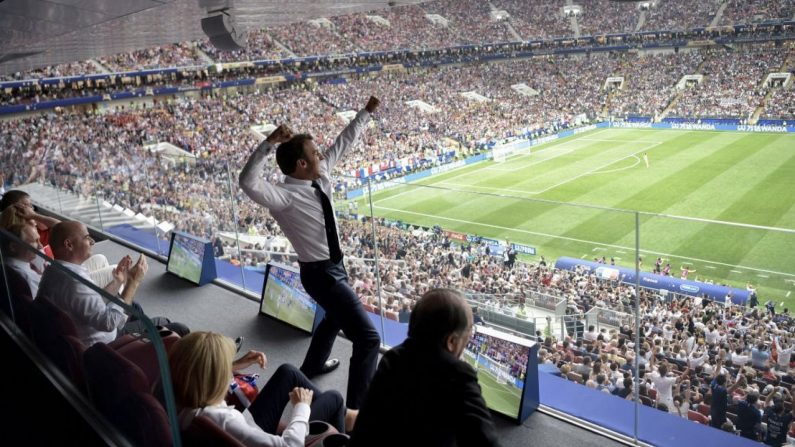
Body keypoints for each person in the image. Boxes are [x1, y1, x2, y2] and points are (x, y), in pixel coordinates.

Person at [239, 96, 381, 410]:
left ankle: (312, 366)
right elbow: (247, 181)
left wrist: (366, 113)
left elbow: (343, 143)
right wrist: (267, 144)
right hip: (320, 274)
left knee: (334, 318)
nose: (322, 156)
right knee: (368, 338)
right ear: (301, 164)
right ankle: (357, 413)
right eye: (315, 154)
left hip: (334, 267)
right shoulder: (283, 197)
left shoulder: (319, 176)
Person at [349, 288, 500, 447]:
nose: (469, 337)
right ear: (451, 342)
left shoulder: (392, 358)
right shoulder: (459, 376)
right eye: (469, 331)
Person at [170, 331, 353, 447]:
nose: (230, 374)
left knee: (287, 372)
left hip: (249, 423)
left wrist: (236, 364)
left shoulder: (177, 395)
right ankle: (344, 427)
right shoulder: (223, 420)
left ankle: (347, 416)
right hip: (260, 433)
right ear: (213, 380)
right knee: (334, 398)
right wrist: (301, 407)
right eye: (225, 369)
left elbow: (197, 372)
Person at [36, 221, 188, 347]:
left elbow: (91, 301)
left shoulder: (53, 271)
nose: (92, 242)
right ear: (69, 245)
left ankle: (144, 336)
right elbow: (109, 322)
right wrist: (132, 282)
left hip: (84, 334)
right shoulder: (74, 282)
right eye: (87, 238)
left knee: (134, 306)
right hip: (105, 346)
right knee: (175, 326)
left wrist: (118, 281)